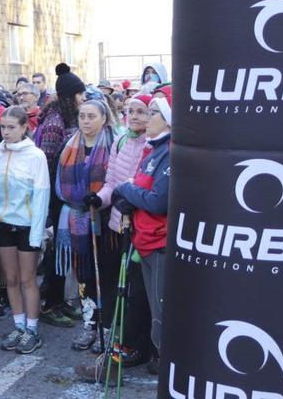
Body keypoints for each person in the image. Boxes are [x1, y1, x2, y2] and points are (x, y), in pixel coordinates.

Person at [73, 94, 155, 382]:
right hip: (118, 224)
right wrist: (100, 198)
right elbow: (112, 183)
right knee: (124, 287)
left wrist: (129, 201)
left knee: (139, 291)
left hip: (143, 226)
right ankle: (128, 342)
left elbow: (147, 189)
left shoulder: (153, 145)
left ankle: (141, 346)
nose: (133, 116)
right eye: (130, 110)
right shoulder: (122, 141)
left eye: (141, 112)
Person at [110, 96, 172, 375]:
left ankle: (165, 359)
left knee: (160, 305)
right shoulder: (152, 148)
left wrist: (126, 190)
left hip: (160, 241)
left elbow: (159, 200)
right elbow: (137, 186)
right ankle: (150, 351)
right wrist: (127, 196)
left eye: (154, 113)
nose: (147, 118)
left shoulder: (170, 150)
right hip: (143, 237)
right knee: (146, 300)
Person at [0, 105, 51, 355]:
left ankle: (32, 330)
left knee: (27, 279)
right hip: (3, 226)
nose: (6, 132)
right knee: (9, 280)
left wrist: (36, 233)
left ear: (25, 128)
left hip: (26, 226)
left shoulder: (36, 156)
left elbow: (41, 196)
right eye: (2, 127)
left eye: (12, 127)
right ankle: (19, 326)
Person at [54, 99, 116, 351]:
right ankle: (89, 324)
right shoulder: (70, 145)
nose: (86, 121)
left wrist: (100, 200)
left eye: (92, 116)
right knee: (85, 274)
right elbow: (60, 181)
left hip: (106, 219)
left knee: (107, 273)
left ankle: (108, 327)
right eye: (82, 116)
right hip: (78, 217)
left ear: (104, 119)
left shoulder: (114, 145)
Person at [32, 63, 86, 328]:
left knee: (63, 248)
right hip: (54, 195)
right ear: (68, 96)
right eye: (79, 94)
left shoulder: (67, 117)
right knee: (55, 250)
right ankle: (50, 304)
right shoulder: (54, 121)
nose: (82, 99)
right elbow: (46, 160)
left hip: (64, 194)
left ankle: (58, 299)